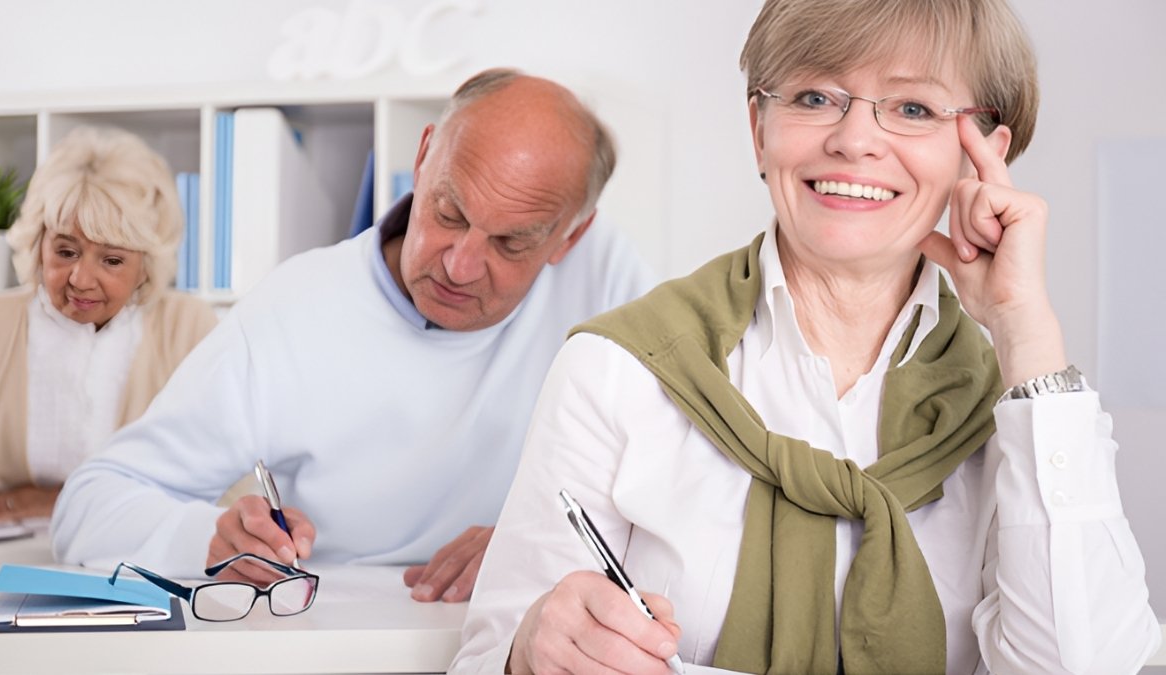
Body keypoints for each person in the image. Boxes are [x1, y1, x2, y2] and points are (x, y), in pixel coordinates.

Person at [452, 2, 1161, 673]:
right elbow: (484, 658)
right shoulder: (617, 370)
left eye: (912, 108)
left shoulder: (1021, 416)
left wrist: (1025, 331)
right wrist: (528, 648)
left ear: (978, 156)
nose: (854, 140)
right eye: (815, 97)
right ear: (759, 129)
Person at [50, 68, 657, 601]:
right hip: (344, 638)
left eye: (511, 243)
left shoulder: (606, 276)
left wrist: (539, 543)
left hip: (517, 638)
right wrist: (210, 538)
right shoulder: (293, 309)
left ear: (569, 237)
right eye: (448, 213)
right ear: (423, 157)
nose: (460, 265)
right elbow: (90, 504)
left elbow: (674, 491)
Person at [0, 126, 217, 675]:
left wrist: (28, 501)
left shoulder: (190, 329)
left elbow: (226, 488)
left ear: (147, 263)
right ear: (37, 241)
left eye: (112, 261)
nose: (80, 278)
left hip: (145, 608)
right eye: (65, 251)